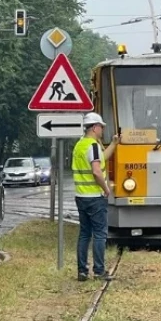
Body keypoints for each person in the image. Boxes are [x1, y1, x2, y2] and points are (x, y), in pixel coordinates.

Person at [71, 112, 120, 282]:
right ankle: (99, 271)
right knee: (100, 234)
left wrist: (113, 144)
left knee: (84, 234)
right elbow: (96, 171)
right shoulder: (92, 146)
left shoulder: (80, 145)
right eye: (101, 127)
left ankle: (82, 271)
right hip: (94, 197)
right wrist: (106, 188)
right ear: (94, 127)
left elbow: (101, 159)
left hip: (81, 196)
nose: (102, 130)